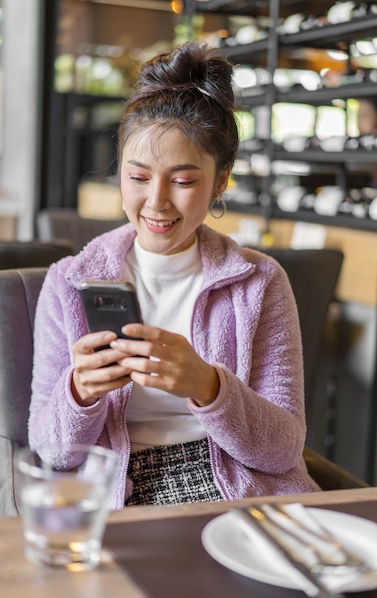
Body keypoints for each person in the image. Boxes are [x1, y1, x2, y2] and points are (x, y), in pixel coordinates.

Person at [29, 41, 320, 509]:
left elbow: (282, 449)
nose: (157, 202)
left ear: (221, 180)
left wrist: (208, 386)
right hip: (118, 491)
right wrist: (80, 392)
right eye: (138, 177)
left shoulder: (259, 282)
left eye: (183, 181)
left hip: (239, 488)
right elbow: (52, 449)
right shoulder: (69, 283)